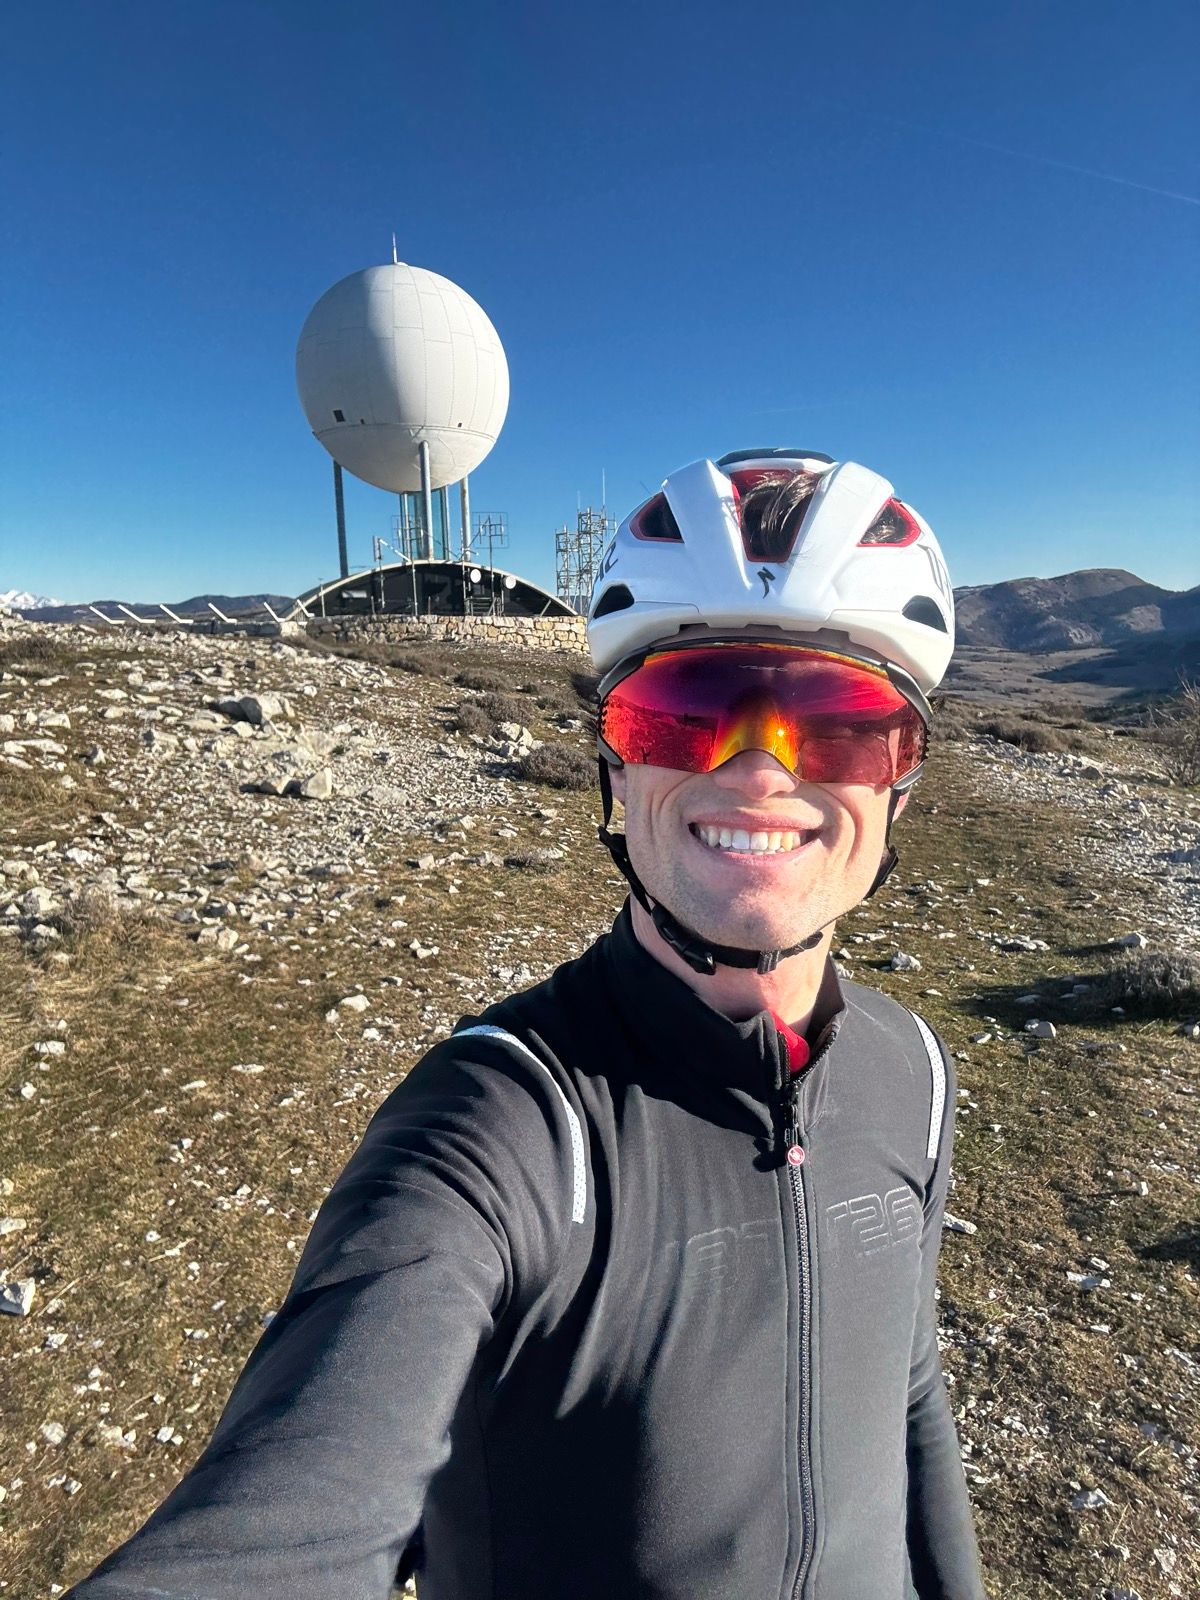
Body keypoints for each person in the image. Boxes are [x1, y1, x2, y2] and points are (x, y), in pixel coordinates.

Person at [66, 449, 987, 1599]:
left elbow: (909, 1392)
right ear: (613, 764)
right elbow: (286, 1522)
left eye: (840, 720)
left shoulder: (917, 1073)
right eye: (684, 712)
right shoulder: (503, 1129)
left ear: (902, 779)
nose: (761, 768)